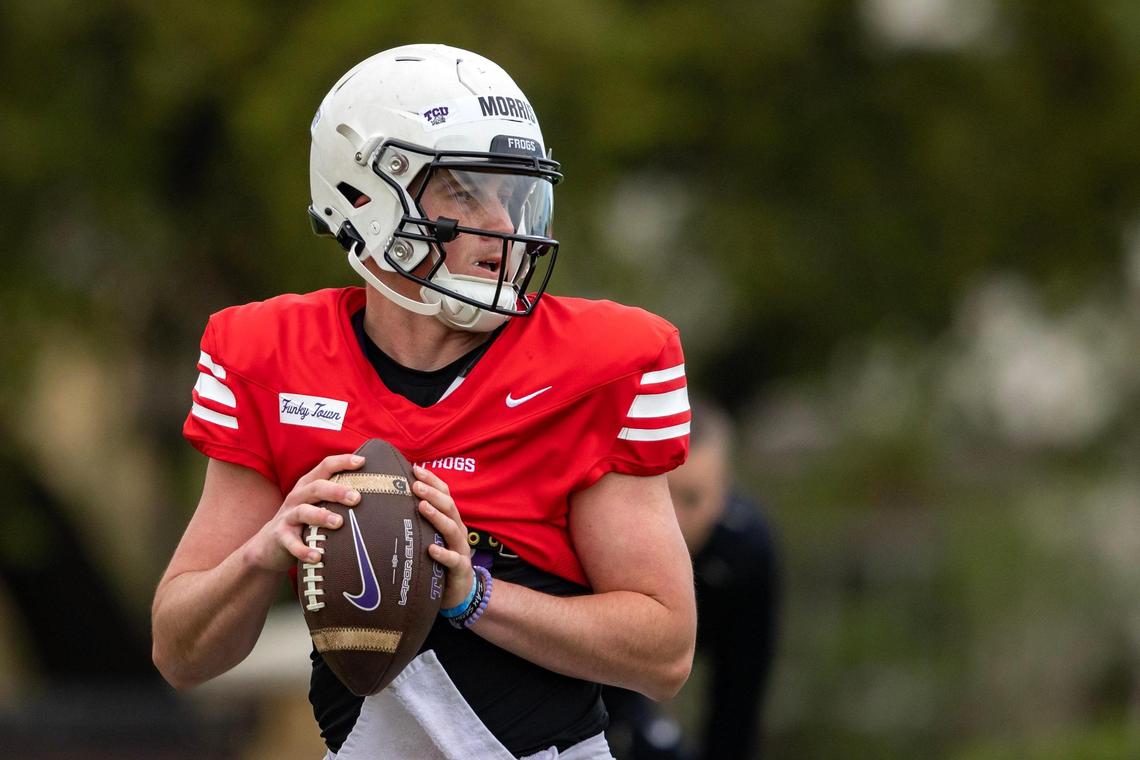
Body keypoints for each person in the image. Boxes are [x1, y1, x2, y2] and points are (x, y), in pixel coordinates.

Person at [150, 44, 697, 759]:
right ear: (364, 195)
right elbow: (179, 654)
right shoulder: (270, 357)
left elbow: (664, 653)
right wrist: (260, 553)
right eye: (468, 191)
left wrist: (473, 595)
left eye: (512, 193)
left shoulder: (596, 363)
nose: (503, 225)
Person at [605, 397, 779, 760]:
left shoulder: (745, 553)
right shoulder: (599, 530)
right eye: (660, 491)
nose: (673, 519)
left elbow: (739, 697)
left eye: (692, 498)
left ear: (724, 494)